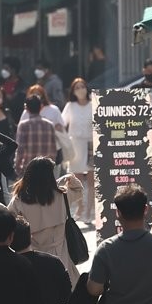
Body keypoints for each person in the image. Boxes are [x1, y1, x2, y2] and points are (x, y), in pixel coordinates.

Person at [8, 157, 79, 284]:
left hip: (33, 252)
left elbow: (9, 217)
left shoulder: (20, 199)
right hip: (60, 252)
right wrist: (69, 178)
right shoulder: (61, 195)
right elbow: (78, 190)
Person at [61, 78, 94, 224]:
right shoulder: (70, 106)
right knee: (77, 180)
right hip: (75, 144)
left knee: (92, 181)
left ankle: (89, 211)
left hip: (92, 144)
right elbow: (62, 123)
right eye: (77, 88)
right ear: (73, 92)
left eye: (82, 87)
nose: (80, 90)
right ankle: (80, 207)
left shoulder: (94, 104)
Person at [15, 96, 58, 177]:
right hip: (46, 169)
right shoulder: (50, 125)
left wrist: (17, 167)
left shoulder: (23, 125)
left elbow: (20, 149)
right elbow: (53, 150)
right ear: (41, 107)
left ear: (26, 108)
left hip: (28, 169)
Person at [0, 56, 28, 123]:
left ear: (13, 70)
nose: (3, 71)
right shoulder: (0, 83)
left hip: (17, 120)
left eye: (6, 69)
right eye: (3, 68)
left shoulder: (22, 86)